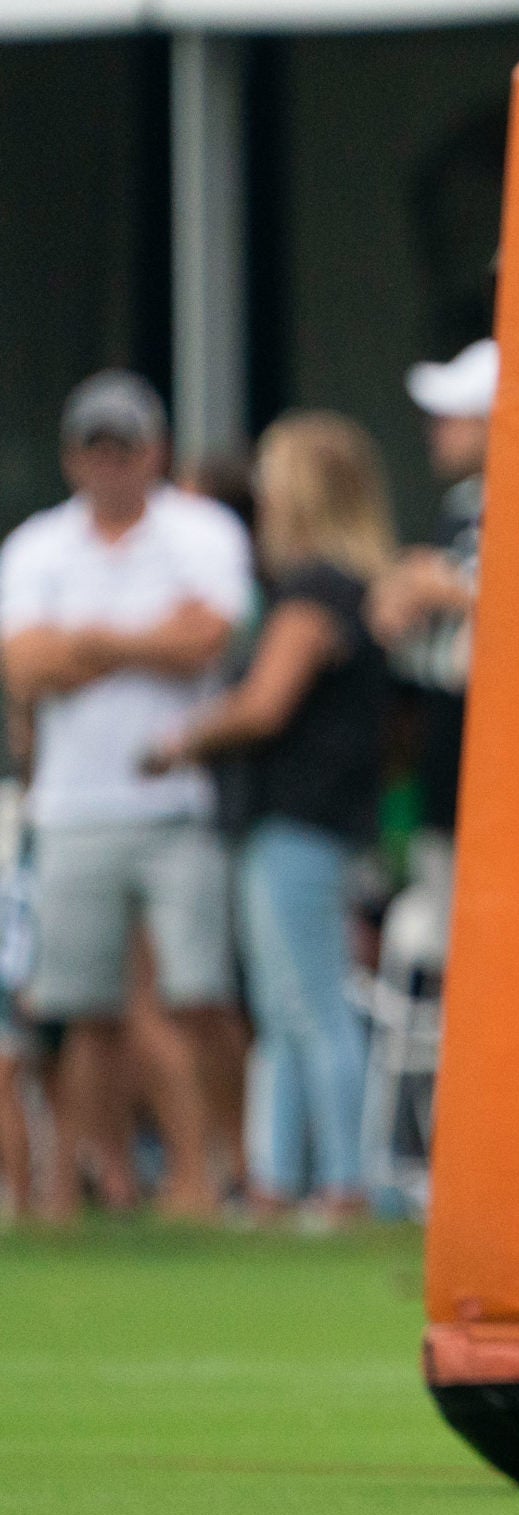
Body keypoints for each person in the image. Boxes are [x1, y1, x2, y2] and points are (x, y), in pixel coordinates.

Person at [0, 372, 252, 1221]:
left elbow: (206, 640)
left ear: (157, 452)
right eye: (96, 449)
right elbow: (23, 666)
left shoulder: (200, 531)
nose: (111, 465)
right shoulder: (37, 545)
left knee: (196, 997)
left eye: (126, 448)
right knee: (80, 1012)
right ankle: (68, 1191)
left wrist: (87, 640)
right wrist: (148, 639)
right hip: (73, 808)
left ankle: (226, 1179)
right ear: (74, 457)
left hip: (176, 803)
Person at [147, 412, 392, 1226]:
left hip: (301, 820)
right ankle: (279, 1183)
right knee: (289, 1008)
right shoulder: (348, 587)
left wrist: (184, 738)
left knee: (312, 1004)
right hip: (298, 822)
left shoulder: (317, 590)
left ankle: (344, 1184)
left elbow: (263, 704)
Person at [374, 338, 492, 875]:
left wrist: (437, 582)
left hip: (504, 753)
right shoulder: (462, 508)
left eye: (454, 417)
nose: (435, 430)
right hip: (446, 750)